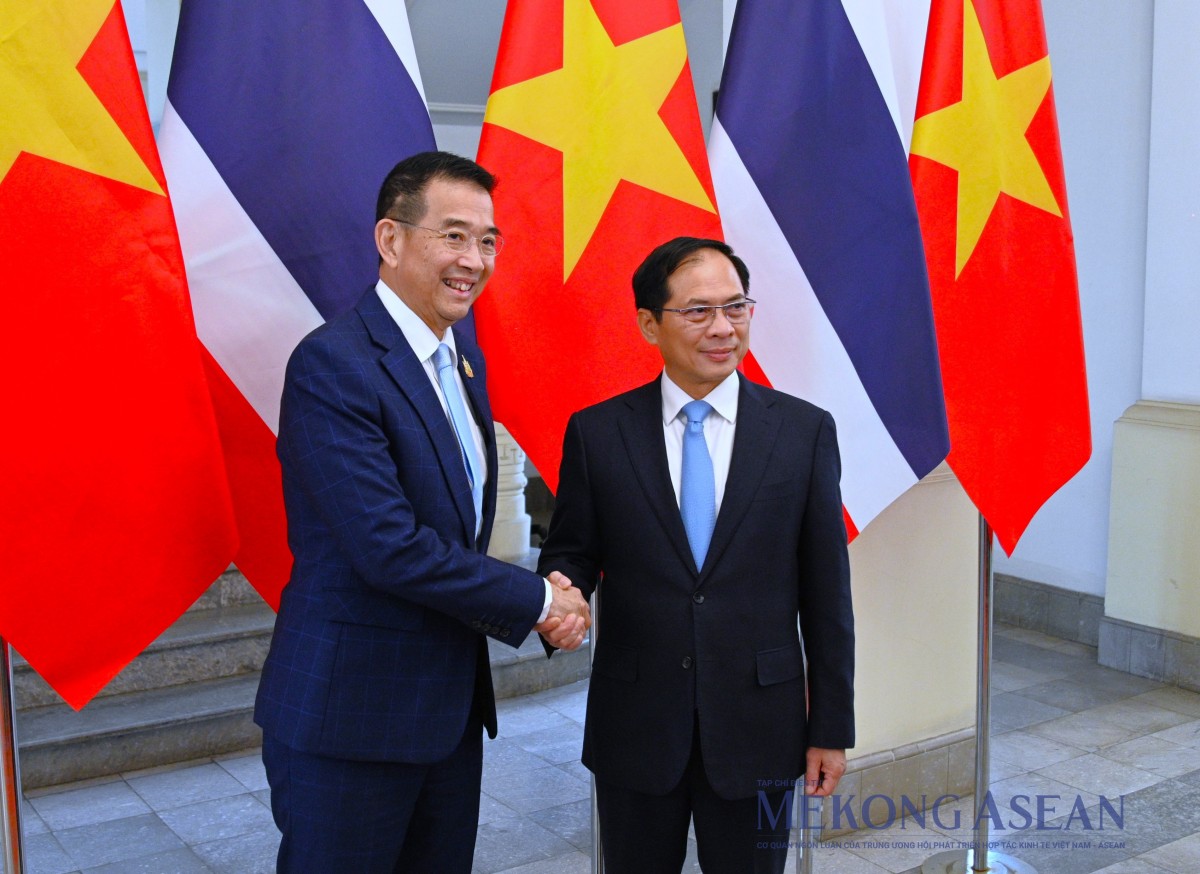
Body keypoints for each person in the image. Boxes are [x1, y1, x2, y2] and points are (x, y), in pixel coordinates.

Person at [254, 151, 591, 873]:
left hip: (445, 718)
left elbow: (454, 533)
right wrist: (540, 600)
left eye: (488, 240)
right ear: (391, 239)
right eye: (454, 235)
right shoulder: (333, 364)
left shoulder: (461, 360)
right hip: (351, 721)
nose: (474, 260)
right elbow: (389, 546)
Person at [538, 237, 855, 873]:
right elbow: (572, 550)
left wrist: (830, 728)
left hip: (759, 728)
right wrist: (557, 599)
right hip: (636, 724)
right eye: (698, 311)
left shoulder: (803, 432)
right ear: (649, 324)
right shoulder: (598, 433)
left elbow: (827, 596)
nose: (722, 328)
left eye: (735, 307)